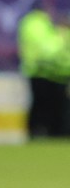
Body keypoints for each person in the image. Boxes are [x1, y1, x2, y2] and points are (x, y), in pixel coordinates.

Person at [17, 7, 70, 137]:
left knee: (46, 106)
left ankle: (42, 132)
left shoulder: (33, 24)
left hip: (49, 72)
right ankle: (49, 133)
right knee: (50, 106)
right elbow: (51, 50)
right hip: (49, 72)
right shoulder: (43, 26)